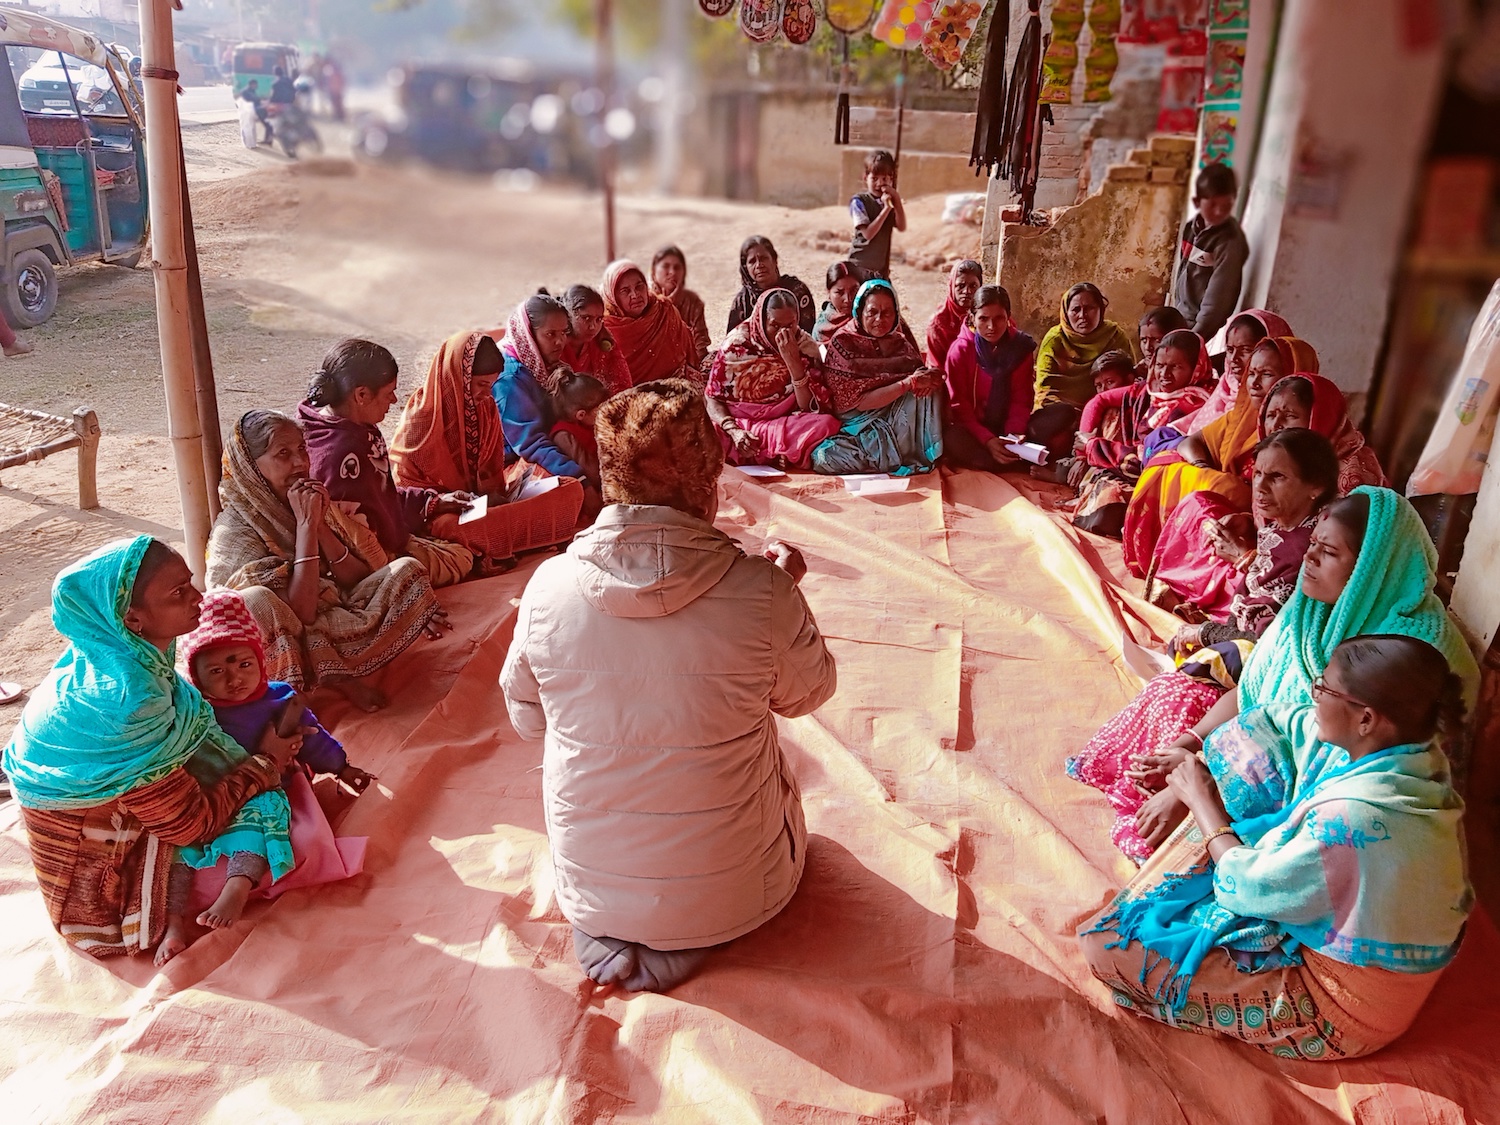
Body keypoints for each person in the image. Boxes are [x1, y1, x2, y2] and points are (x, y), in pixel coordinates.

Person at [500, 379, 837, 992]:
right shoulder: (762, 590)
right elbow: (807, 694)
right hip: (739, 895)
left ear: (611, 481)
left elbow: (528, 720)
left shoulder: (547, 587)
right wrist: (783, 593)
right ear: (708, 488)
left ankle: (624, 924)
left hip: (590, 895)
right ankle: (690, 928)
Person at [1079, 634, 1471, 1059]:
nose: (1313, 695)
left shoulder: (1353, 819)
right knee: (1251, 753)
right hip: (1338, 912)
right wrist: (1197, 758)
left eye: (1324, 688)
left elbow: (1247, 888)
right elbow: (1277, 721)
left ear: (1366, 719)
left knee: (1106, 948)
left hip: (1340, 1007)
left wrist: (1200, 798)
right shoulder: (1409, 755)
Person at [1092, 487, 1480, 860]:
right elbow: (1255, 693)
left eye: (1328, 552)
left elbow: (1342, 766)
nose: (1309, 558)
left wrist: (1198, 788)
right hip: (1260, 755)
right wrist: (1188, 747)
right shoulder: (1310, 611)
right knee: (1173, 696)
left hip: (1333, 799)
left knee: (1169, 846)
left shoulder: (1408, 655)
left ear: (1373, 570)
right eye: (1313, 543)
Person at [2, 538, 296, 963]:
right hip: (95, 883)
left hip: (125, 809)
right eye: (178, 593)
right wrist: (264, 762)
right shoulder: (132, 701)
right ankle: (173, 920)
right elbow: (189, 827)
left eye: (190, 583)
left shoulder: (110, 651)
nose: (197, 598)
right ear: (133, 618)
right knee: (277, 830)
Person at [1069, 429, 1341, 859]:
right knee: (1173, 689)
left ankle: (1176, 799)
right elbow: (1265, 649)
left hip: (1264, 715)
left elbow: (1270, 669)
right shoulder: (1287, 539)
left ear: (1317, 487)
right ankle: (1159, 779)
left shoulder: (1329, 621)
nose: (1260, 487)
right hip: (1254, 672)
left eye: (1278, 477)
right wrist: (1188, 744)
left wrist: (1197, 768)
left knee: (1181, 696)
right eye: (1258, 474)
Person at [207, 410, 445, 711]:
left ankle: (334, 670)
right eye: (283, 454)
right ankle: (309, 690)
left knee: (407, 570)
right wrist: (306, 527)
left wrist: (319, 525)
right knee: (256, 601)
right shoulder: (234, 531)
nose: (300, 463)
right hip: (281, 639)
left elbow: (356, 580)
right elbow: (301, 612)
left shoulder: (304, 499)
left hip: (324, 617)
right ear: (251, 467)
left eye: (301, 449)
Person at [175, 588, 368, 931]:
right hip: (217, 796)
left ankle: (237, 887)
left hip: (267, 789)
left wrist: (341, 767)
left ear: (260, 660)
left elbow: (313, 740)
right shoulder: (197, 714)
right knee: (180, 851)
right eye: (216, 671)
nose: (235, 679)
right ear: (196, 676)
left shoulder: (279, 699)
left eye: (244, 664)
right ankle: (173, 923)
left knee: (265, 817)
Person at [1141, 368, 1388, 608]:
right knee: (1199, 508)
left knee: (1231, 583)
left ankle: (1206, 599)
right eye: (1270, 415)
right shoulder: (1276, 455)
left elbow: (1321, 567)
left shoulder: (1351, 478)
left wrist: (1246, 558)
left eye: (1290, 415)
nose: (1276, 425)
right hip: (1273, 552)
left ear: (1320, 417)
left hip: (1301, 583)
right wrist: (1249, 522)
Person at [1123, 333, 1318, 578]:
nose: (1254, 383)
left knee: (1202, 506)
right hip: (1249, 519)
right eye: (1252, 373)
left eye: (1267, 374)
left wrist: (1235, 495)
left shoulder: (1312, 442)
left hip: (1272, 542)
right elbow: (1192, 442)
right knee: (1171, 468)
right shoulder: (1245, 417)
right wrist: (1207, 473)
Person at [390, 330, 586, 565]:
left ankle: (494, 541)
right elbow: (404, 486)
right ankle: (506, 538)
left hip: (482, 506)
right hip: (443, 513)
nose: (487, 393)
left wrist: (493, 496)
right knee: (450, 526)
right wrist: (443, 501)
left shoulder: (486, 406)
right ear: (458, 378)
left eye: (492, 385)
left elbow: (493, 472)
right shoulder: (421, 418)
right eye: (481, 384)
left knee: (570, 488)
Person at [298, 339, 475, 588]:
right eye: (388, 392)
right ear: (361, 395)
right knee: (462, 556)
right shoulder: (344, 455)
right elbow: (358, 540)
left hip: (385, 535)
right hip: (369, 562)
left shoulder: (344, 424)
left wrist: (432, 502)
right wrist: (398, 557)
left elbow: (381, 495)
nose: (394, 400)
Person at [1069, 331, 1212, 538]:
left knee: (1108, 504)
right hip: (1130, 463)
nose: (1164, 374)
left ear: (1196, 368)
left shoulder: (1199, 406)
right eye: (1160, 365)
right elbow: (1098, 401)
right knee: (1112, 413)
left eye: (1175, 367)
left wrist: (1093, 446)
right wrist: (1083, 454)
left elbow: (1149, 460)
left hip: (1161, 480)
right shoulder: (1150, 390)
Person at [810, 279, 944, 476]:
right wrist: (908, 383)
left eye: (887, 313)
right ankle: (890, 457)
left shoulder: (901, 344)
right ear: (859, 312)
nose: (879, 319)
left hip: (897, 424)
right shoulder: (843, 343)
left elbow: (920, 378)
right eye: (872, 312)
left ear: (896, 314)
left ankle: (894, 456)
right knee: (824, 457)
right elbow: (860, 403)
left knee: (929, 389)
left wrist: (927, 380)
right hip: (858, 429)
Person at [705, 288, 840, 470]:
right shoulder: (736, 345)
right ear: (761, 321)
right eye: (775, 326)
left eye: (790, 325)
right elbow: (712, 398)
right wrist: (734, 431)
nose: (782, 333)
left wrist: (793, 363)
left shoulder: (804, 346)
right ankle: (773, 453)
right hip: (739, 425)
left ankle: (765, 453)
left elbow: (810, 408)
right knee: (703, 432)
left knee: (825, 425)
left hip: (781, 426)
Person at [1030, 283, 1136, 461]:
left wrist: (1093, 413)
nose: (1082, 316)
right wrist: (1079, 418)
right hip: (1064, 415)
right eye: (1076, 310)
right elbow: (1045, 391)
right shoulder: (1055, 340)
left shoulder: (1114, 336)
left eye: (1089, 308)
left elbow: (1128, 381)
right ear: (1066, 312)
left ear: (1101, 309)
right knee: (1056, 430)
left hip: (1103, 411)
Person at [941, 283, 1036, 473]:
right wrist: (988, 440)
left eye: (999, 318)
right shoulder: (960, 351)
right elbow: (959, 405)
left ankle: (1005, 457)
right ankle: (1003, 461)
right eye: (983, 318)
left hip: (1008, 427)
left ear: (1008, 317)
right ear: (972, 318)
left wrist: (1013, 435)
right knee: (951, 437)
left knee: (1059, 416)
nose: (991, 327)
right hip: (974, 429)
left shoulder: (1020, 347)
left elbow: (1022, 399)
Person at [1171, 161, 1250, 341]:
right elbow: (1182, 272)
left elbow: (1218, 298)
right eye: (1213, 204)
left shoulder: (1229, 241)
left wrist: (1195, 337)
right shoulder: (1191, 228)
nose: (1220, 211)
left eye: (1226, 205)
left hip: (1198, 326)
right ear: (1197, 202)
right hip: (1180, 315)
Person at [1189, 308, 1292, 433]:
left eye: (1245, 350)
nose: (1234, 358)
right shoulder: (1226, 387)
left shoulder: (1278, 407)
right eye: (1230, 350)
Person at [601, 260, 701, 384]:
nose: (635, 295)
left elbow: (687, 352)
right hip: (630, 393)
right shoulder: (605, 330)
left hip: (676, 383)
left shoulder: (664, 310)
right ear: (613, 296)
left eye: (639, 286)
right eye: (625, 291)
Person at [726, 236, 817, 336]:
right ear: (746, 268)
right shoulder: (743, 301)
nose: (759, 265)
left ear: (774, 260)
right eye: (752, 261)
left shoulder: (797, 290)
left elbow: (809, 333)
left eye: (763, 258)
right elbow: (732, 340)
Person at [560, 284, 632, 394]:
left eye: (598, 319)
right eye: (586, 318)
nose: (593, 326)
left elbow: (622, 386)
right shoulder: (555, 346)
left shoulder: (603, 344)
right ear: (568, 315)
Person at [848, 149, 906, 279]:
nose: (879, 184)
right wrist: (886, 209)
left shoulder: (889, 201)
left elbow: (901, 226)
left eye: (884, 178)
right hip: (859, 266)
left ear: (891, 179)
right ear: (865, 178)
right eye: (874, 178)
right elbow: (868, 234)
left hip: (880, 270)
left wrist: (896, 199)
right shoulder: (859, 202)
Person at [650, 245, 711, 365]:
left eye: (677, 268)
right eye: (665, 266)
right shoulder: (646, 301)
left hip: (689, 365)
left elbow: (700, 345)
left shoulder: (692, 301)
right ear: (653, 271)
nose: (672, 272)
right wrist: (667, 304)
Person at [549, 371, 609, 488]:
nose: (606, 412)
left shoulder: (590, 422)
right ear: (581, 415)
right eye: (601, 409)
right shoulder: (564, 435)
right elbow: (591, 471)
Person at [925, 258, 984, 370]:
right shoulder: (938, 324)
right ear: (952, 286)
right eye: (961, 286)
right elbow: (936, 369)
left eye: (973, 286)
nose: (967, 291)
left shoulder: (986, 317)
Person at [813, 260, 863, 345]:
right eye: (839, 292)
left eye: (854, 290)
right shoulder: (821, 328)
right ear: (828, 293)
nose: (848, 299)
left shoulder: (868, 319)